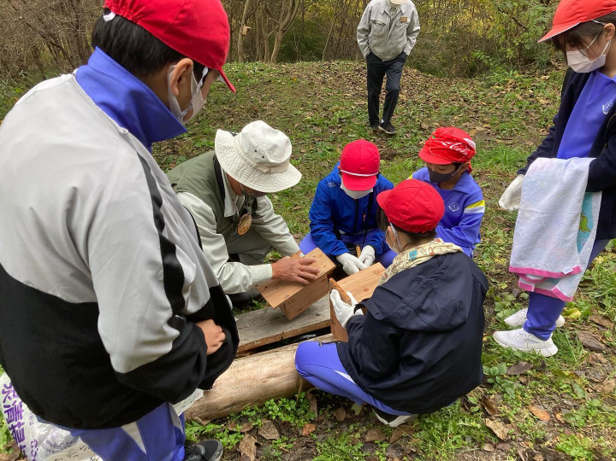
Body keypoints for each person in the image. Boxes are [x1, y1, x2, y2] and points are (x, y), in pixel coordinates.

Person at [0, 1, 240, 460]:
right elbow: (142, 350)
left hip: (35, 333)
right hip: (99, 388)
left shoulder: (44, 98)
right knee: (148, 451)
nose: (203, 100)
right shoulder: (116, 176)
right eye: (207, 83)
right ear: (181, 76)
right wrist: (195, 345)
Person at [295, 180, 488, 427]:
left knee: (305, 357)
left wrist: (351, 321)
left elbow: (373, 365)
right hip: (460, 382)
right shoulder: (468, 267)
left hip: (411, 393)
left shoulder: (391, 295)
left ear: (391, 231)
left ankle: (392, 408)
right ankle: (426, 397)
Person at [496, 0, 616, 357]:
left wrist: (552, 181)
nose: (571, 54)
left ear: (608, 32)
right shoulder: (582, 73)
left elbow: (611, 167)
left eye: (576, 43)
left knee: (566, 260)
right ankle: (541, 310)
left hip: (599, 198)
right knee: (546, 248)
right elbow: (559, 131)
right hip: (561, 184)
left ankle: (538, 334)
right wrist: (530, 170)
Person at [167, 121, 320, 304]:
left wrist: (303, 259)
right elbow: (215, 273)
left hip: (215, 237)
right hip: (178, 256)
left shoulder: (245, 178)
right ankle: (231, 290)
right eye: (263, 182)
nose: (267, 189)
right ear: (241, 171)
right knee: (218, 305)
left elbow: (268, 221)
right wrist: (275, 271)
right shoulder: (194, 203)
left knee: (265, 237)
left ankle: (241, 278)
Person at [300, 139, 396, 274]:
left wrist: (373, 247)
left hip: (371, 234)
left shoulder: (385, 187)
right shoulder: (327, 187)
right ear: (340, 171)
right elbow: (320, 225)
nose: (357, 192)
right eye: (353, 185)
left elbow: (390, 225)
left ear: (377, 174)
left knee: (395, 259)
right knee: (306, 252)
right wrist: (340, 253)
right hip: (337, 234)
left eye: (364, 186)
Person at [411, 127, 484, 257]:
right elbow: (399, 202)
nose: (433, 171)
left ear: (463, 167)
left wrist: (424, 231)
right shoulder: (419, 177)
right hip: (416, 238)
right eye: (429, 164)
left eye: (442, 168)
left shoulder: (472, 196)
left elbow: (466, 237)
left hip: (452, 245)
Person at [357, 0, 420, 135]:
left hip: (396, 56)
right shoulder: (374, 6)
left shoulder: (410, 8)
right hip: (374, 54)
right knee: (373, 91)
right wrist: (367, 53)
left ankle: (386, 123)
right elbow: (362, 30)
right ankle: (374, 121)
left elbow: (413, 32)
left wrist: (405, 53)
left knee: (394, 88)